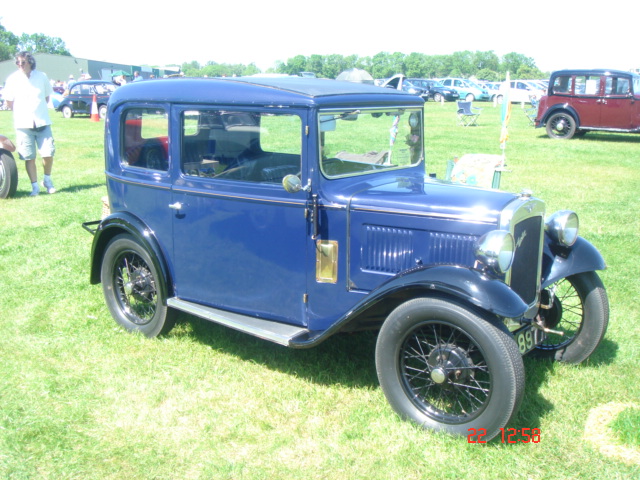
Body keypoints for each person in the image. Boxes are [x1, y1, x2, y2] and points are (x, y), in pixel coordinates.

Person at [2, 51, 57, 196]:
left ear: (30, 62)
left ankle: (47, 180)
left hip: (42, 122)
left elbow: (46, 98)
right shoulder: (12, 79)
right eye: (18, 62)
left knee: (48, 154)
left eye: (23, 62)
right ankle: (35, 187)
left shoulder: (42, 76)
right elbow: (9, 102)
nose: (20, 65)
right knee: (29, 156)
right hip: (23, 124)